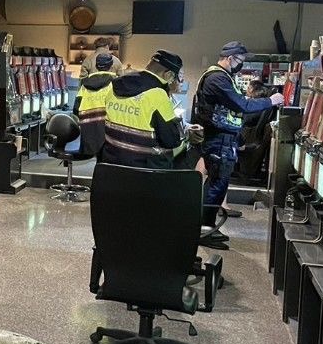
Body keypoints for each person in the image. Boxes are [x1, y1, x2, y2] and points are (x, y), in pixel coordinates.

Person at [192, 41, 284, 227]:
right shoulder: (217, 79)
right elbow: (242, 104)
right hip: (219, 138)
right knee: (216, 185)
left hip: (224, 137)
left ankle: (206, 226)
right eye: (240, 61)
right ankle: (204, 227)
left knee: (218, 184)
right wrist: (270, 101)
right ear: (230, 58)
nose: (241, 65)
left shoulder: (224, 77)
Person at [96, 50, 201, 169]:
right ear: (168, 75)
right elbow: (171, 140)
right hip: (144, 170)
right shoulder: (158, 95)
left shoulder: (113, 87)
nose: (178, 82)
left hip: (110, 164)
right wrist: (187, 135)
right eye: (177, 78)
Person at [73, 51, 120, 159]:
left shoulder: (85, 84)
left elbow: (76, 108)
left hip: (88, 129)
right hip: (108, 130)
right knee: (105, 161)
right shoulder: (115, 83)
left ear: (96, 65)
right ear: (111, 66)